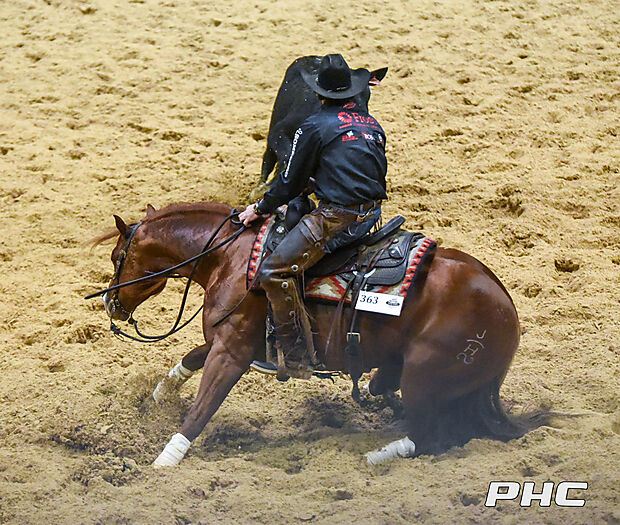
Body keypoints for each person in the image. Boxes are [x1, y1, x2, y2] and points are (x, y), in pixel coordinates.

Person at [239, 54, 388, 380]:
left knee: (274, 271)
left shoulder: (313, 125)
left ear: (319, 94)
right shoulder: (372, 124)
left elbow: (287, 183)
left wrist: (260, 208)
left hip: (336, 218)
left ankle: (295, 356)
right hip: (372, 215)